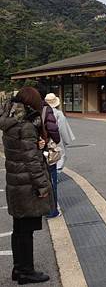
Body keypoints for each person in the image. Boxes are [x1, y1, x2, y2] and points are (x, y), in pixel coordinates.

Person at [1, 87, 53, 284]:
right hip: (27, 187)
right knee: (26, 232)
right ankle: (26, 271)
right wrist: (42, 186)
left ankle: (18, 269)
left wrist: (35, 145)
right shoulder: (26, 126)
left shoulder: (11, 123)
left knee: (19, 229)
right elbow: (31, 161)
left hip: (16, 183)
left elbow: (21, 152)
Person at [36, 85, 61, 219]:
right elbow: (54, 130)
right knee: (51, 179)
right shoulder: (47, 109)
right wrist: (54, 142)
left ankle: (41, 208)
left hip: (31, 150)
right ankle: (52, 210)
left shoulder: (28, 108)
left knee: (37, 179)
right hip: (45, 149)